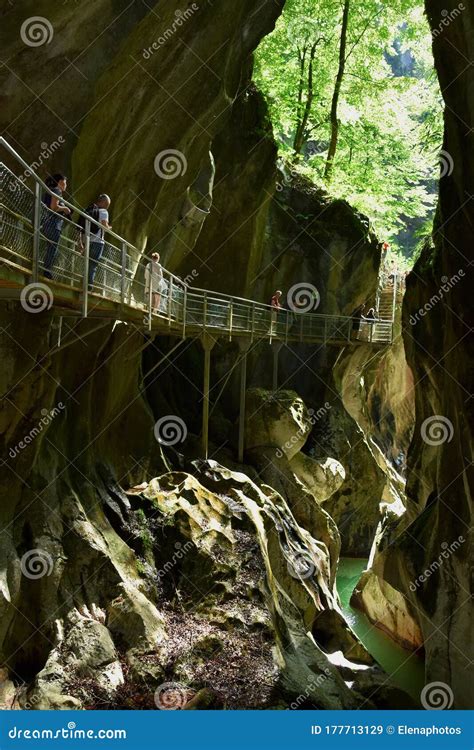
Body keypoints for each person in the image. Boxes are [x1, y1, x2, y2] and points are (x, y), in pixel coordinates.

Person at [41, 174, 72, 279]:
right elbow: (53, 207)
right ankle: (47, 271)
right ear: (59, 182)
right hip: (53, 224)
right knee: (52, 248)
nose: (66, 185)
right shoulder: (57, 191)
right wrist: (65, 209)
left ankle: (46, 270)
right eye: (65, 182)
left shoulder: (50, 191)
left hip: (46, 223)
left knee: (50, 247)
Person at [78, 194, 112, 289]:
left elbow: (80, 226)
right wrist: (109, 228)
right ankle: (88, 286)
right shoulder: (104, 212)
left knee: (86, 263)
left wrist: (80, 241)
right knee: (92, 265)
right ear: (104, 202)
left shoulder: (89, 210)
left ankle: (83, 283)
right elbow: (104, 226)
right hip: (97, 242)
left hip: (86, 241)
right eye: (107, 204)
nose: (107, 206)